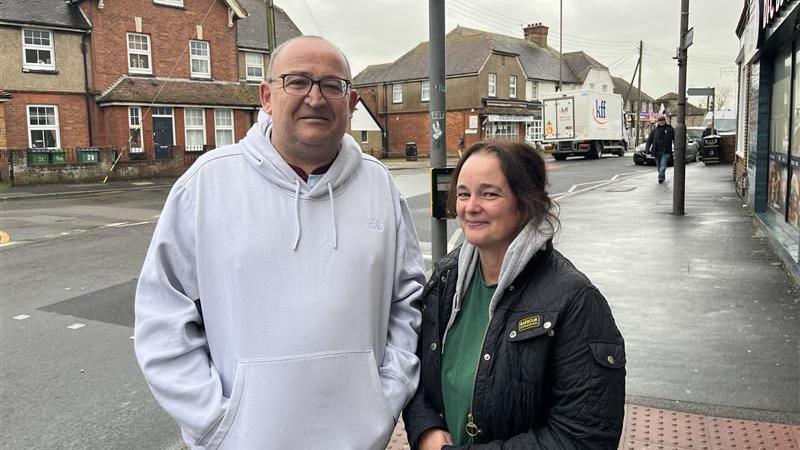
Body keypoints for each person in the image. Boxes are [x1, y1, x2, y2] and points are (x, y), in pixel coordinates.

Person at [134, 36, 425, 449]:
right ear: (267, 97)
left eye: (332, 85)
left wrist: (385, 396)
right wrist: (216, 423)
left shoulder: (379, 185)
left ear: (352, 101)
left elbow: (407, 301)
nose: (315, 97)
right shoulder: (208, 183)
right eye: (298, 81)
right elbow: (161, 314)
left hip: (360, 439)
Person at [403, 140, 626, 449]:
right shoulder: (445, 280)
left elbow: (584, 436)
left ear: (526, 202)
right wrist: (426, 428)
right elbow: (417, 372)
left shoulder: (575, 301)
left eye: (489, 193)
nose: (470, 207)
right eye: (463, 193)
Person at [646, 114, 675, 184]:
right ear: (658, 122)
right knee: (659, 166)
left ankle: (660, 176)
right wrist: (647, 149)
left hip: (665, 150)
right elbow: (649, 140)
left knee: (663, 165)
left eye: (663, 120)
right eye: (660, 120)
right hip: (656, 151)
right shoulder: (655, 130)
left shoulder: (670, 129)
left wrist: (677, 148)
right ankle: (662, 176)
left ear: (665, 121)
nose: (661, 122)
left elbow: (675, 139)